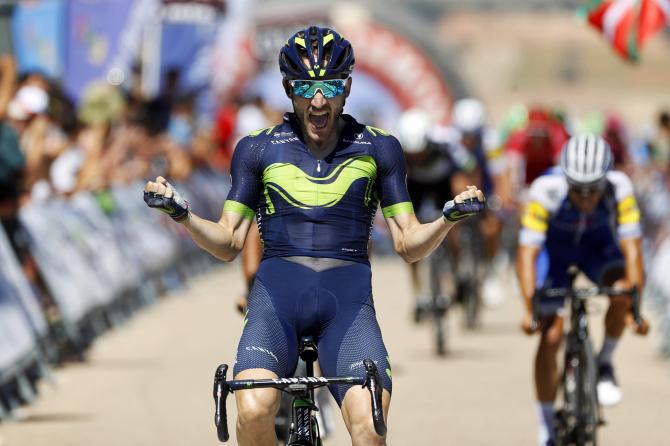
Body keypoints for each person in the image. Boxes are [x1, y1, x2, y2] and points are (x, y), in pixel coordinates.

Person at [144, 25, 485, 446]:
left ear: (348, 88)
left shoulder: (379, 148)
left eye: (331, 86)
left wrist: (448, 219)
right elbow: (230, 240)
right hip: (276, 305)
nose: (319, 100)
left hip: (348, 308)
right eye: (306, 87)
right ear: (289, 88)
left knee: (369, 429)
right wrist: (183, 214)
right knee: (252, 411)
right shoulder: (258, 148)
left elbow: (408, 243)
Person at [516, 134, 649, 446]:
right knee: (550, 335)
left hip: (597, 250)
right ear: (566, 178)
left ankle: (605, 363)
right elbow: (527, 255)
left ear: (606, 178)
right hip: (556, 255)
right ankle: (547, 428)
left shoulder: (620, 187)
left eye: (594, 189)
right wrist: (528, 310)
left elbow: (633, 252)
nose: (587, 198)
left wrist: (636, 308)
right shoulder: (545, 190)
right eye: (579, 189)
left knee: (621, 291)